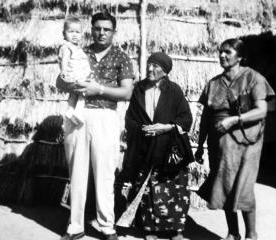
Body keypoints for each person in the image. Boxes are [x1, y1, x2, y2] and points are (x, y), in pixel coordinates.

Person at [57, 11, 134, 240]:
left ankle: (107, 226)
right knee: (77, 172)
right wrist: (72, 84)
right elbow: (60, 82)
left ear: (114, 32)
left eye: (106, 29)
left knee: (105, 173)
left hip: (105, 117)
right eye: (97, 28)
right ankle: (75, 226)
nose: (101, 33)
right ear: (91, 29)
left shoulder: (121, 57)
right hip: (78, 114)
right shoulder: (78, 51)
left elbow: (127, 92)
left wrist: (98, 89)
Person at [195, 38, 275, 240]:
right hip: (219, 144)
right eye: (220, 51)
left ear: (240, 57)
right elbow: (206, 116)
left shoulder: (253, 78)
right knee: (224, 186)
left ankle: (251, 234)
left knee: (244, 186)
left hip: (247, 141)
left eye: (228, 52)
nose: (222, 55)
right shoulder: (213, 83)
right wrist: (201, 144)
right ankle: (233, 232)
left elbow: (262, 110)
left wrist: (234, 120)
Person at [121, 52, 194, 240]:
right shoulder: (139, 89)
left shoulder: (174, 90)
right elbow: (130, 118)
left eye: (156, 66)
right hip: (145, 148)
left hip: (169, 150)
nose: (151, 69)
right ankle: (149, 229)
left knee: (174, 191)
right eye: (149, 64)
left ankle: (176, 230)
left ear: (166, 71)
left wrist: (165, 128)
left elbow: (186, 118)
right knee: (148, 191)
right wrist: (140, 129)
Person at [58, 16, 91, 126]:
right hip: (75, 74)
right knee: (83, 92)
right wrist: (63, 70)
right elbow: (65, 60)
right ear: (64, 33)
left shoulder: (77, 47)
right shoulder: (67, 47)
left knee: (74, 94)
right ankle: (78, 112)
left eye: (77, 32)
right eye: (71, 31)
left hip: (77, 73)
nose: (74, 35)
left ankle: (70, 110)